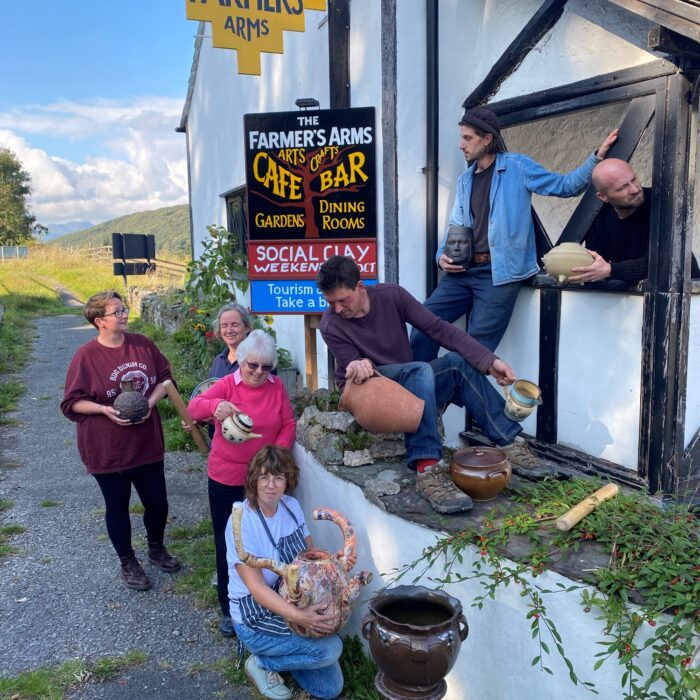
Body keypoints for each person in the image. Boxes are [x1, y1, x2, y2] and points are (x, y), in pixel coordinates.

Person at [317, 255, 540, 515]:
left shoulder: (392, 295)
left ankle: (508, 441)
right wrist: (358, 363)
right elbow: (353, 367)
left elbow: (438, 328)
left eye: (343, 300)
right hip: (366, 389)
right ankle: (428, 469)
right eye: (331, 303)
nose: (337, 309)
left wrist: (490, 361)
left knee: (457, 364)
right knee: (419, 370)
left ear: (359, 287)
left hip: (408, 381)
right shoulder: (330, 325)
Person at [410, 106, 618, 360]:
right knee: (422, 327)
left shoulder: (517, 167)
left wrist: (596, 158)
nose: (460, 145)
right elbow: (456, 224)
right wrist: (441, 255)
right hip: (463, 272)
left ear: (487, 139)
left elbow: (565, 186)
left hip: (500, 275)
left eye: (467, 138)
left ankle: (441, 385)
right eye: (461, 137)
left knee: (473, 353)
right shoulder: (466, 180)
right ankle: (420, 384)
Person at [61, 291, 181, 591]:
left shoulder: (142, 344)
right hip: (108, 449)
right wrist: (104, 410)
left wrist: (150, 403)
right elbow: (72, 402)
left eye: (124, 309)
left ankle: (156, 548)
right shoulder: (86, 356)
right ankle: (128, 562)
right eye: (117, 312)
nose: (124, 314)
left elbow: (165, 380)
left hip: (146, 443)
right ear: (100, 321)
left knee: (157, 503)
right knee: (117, 507)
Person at [188, 330, 296, 639]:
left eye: (266, 367)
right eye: (252, 365)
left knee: (267, 540)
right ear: (242, 361)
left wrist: (276, 457)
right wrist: (214, 407)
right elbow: (194, 407)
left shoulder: (276, 387)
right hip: (227, 477)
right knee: (230, 544)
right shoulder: (227, 384)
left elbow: (288, 422)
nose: (259, 372)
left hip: (265, 480)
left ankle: (270, 599)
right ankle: (229, 608)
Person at [226, 445, 345, 700]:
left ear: (287, 480)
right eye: (264, 477)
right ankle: (261, 662)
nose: (271, 485)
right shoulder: (242, 521)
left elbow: (309, 557)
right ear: (253, 480)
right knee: (331, 649)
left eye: (278, 477)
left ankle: (284, 656)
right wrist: (301, 617)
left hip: (292, 597)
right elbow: (257, 589)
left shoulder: (291, 506)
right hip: (255, 613)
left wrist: (337, 562)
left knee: (329, 689)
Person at [568, 158, 700, 285]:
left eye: (634, 179)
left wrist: (611, 270)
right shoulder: (597, 216)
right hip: (630, 294)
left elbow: (663, 258)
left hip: (686, 292)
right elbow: (596, 261)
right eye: (622, 188)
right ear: (603, 196)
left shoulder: (662, 202)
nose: (635, 189)